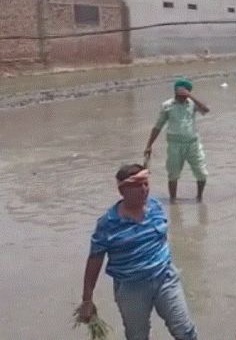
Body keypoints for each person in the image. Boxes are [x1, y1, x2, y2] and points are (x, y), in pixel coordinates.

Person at [78, 164, 198, 340]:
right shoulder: (108, 223)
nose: (144, 190)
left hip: (165, 278)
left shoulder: (156, 207)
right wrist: (87, 300)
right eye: (137, 186)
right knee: (137, 336)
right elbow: (94, 261)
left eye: (146, 184)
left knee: (186, 332)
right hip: (131, 287)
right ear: (122, 191)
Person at [144, 78, 209, 201]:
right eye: (180, 94)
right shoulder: (167, 105)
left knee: (201, 172)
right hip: (174, 144)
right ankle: (173, 200)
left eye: (185, 94)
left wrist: (191, 96)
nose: (182, 97)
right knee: (173, 174)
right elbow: (158, 126)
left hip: (193, 144)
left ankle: (199, 198)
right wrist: (149, 145)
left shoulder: (192, 103)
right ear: (175, 92)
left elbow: (206, 110)